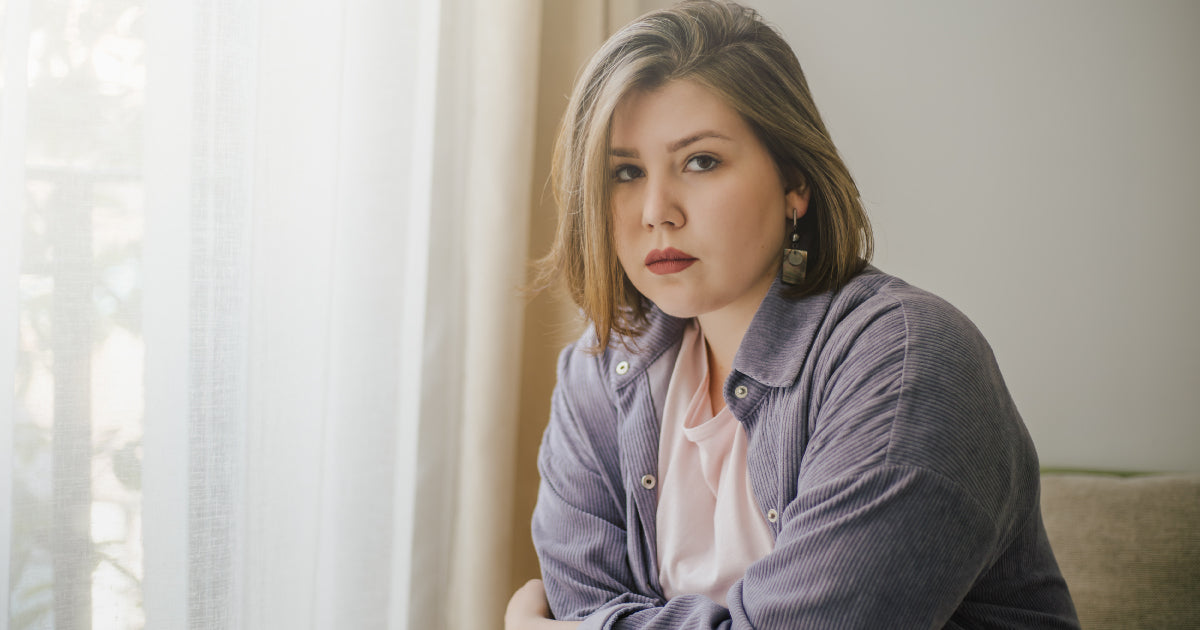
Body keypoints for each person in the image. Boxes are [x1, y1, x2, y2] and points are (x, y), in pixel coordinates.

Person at [506, 1, 1080, 628]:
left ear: (794, 183)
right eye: (626, 172)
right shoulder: (601, 367)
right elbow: (582, 599)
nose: (656, 211)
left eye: (701, 161)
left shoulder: (907, 361)